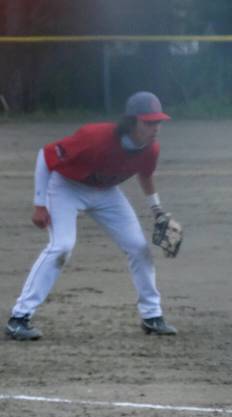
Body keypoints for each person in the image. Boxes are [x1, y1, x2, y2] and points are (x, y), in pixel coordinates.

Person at [7, 91, 178, 340]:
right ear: (132, 121)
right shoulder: (94, 136)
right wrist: (39, 204)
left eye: (158, 121)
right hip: (67, 187)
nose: (155, 127)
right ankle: (19, 318)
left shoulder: (150, 148)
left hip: (106, 192)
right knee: (62, 246)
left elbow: (145, 174)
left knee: (139, 247)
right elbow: (45, 155)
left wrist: (157, 210)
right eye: (148, 122)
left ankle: (152, 316)